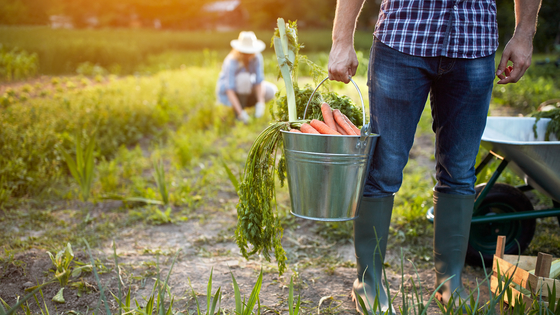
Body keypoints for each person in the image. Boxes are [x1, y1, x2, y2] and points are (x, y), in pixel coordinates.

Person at [328, 0, 541, 313]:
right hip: (402, 39)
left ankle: (449, 283)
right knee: (383, 169)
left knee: (460, 172)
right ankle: (367, 282)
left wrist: (524, 34)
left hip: (474, 41)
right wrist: (341, 39)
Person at [216, 31, 278, 124]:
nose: (248, 54)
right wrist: (241, 113)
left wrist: (260, 103)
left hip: (247, 89)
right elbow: (229, 89)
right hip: (230, 95)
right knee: (244, 79)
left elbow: (259, 81)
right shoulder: (231, 61)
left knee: (271, 90)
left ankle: (252, 110)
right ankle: (239, 112)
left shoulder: (257, 57)